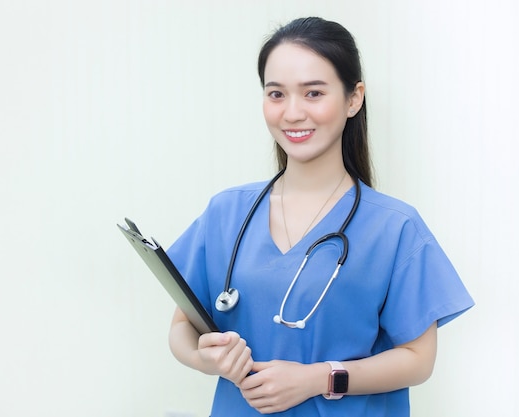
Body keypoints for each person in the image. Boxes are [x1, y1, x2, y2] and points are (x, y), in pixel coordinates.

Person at [166, 16, 474, 416]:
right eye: (276, 94)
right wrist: (205, 358)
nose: (292, 113)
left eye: (313, 93)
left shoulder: (395, 227)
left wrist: (318, 378)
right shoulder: (227, 213)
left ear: (353, 98)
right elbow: (182, 328)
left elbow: (418, 358)